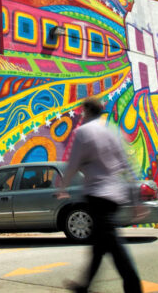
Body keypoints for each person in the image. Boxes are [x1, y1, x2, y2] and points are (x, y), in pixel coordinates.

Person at [57, 97, 143, 293]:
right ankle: (84, 285)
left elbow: (73, 164)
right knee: (99, 243)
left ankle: (133, 286)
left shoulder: (83, 132)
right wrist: (136, 199)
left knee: (112, 243)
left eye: (82, 112)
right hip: (115, 194)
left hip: (97, 194)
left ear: (86, 111)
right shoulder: (112, 131)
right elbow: (127, 165)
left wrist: (62, 186)